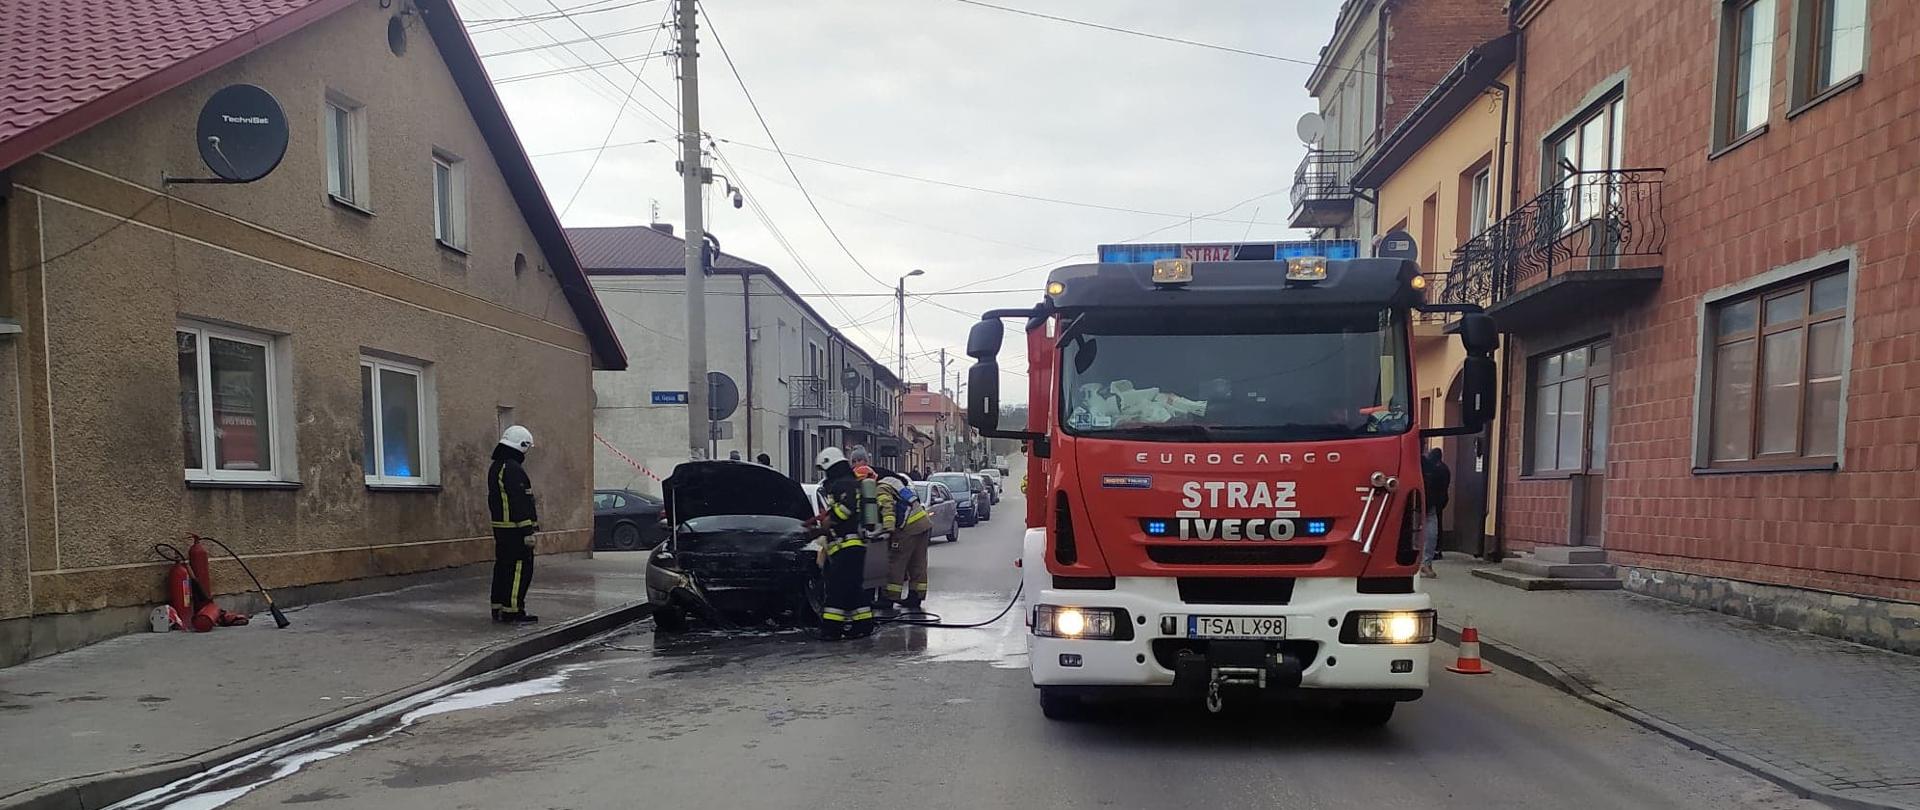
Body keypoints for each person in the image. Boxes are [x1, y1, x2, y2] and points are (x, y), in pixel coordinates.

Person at [809, 447, 874, 640]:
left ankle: (832, 629)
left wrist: (829, 519)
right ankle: (863, 624)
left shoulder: (843, 484)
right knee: (853, 589)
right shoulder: (848, 482)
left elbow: (847, 509)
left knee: (836, 589)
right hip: (850, 547)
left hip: (847, 547)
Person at [489, 426, 540, 623]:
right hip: (515, 529)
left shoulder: (496, 467)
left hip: (502, 527)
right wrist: (528, 530)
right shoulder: (512, 469)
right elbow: (519, 500)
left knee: (503, 567)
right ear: (522, 445)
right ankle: (513, 610)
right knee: (520, 568)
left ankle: (498, 606)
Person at [874, 467, 933, 612]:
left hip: (907, 527)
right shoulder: (896, 483)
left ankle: (889, 597)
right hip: (922, 522)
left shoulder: (881, 488)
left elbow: (888, 509)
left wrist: (888, 530)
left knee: (896, 561)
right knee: (917, 563)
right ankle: (916, 596)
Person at [1420, 447, 1451, 578]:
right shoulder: (1443, 469)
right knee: (1432, 529)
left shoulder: (1419, 463)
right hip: (1434, 502)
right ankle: (1426, 563)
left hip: (1415, 498)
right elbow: (1444, 487)